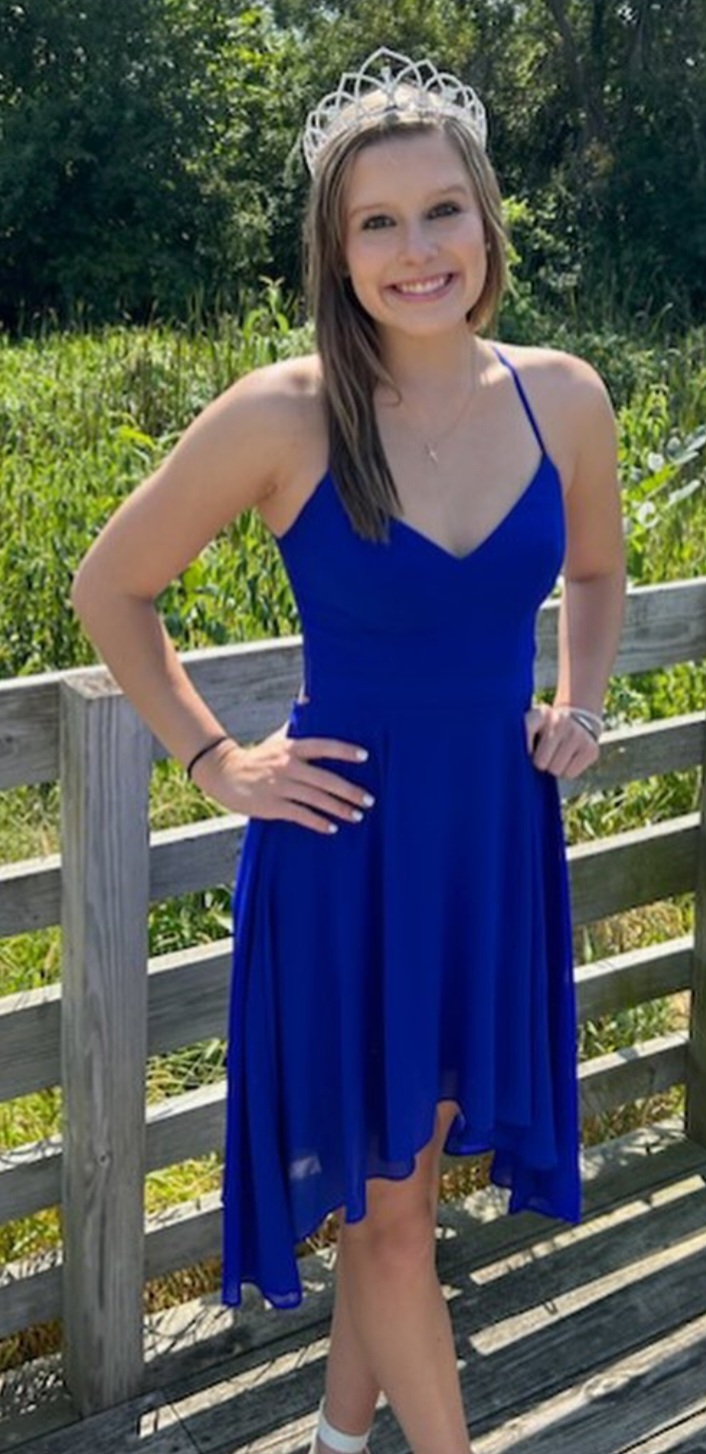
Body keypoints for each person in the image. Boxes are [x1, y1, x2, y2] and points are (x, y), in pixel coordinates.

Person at [71, 46, 626, 1454]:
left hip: (490, 844)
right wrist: (216, 761)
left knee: (405, 1193)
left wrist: (579, 705)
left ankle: (334, 1434)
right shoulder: (283, 411)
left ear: (486, 220)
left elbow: (598, 571)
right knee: (389, 1216)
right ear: (335, 247)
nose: (416, 249)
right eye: (377, 221)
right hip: (344, 851)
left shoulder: (563, 396)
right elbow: (109, 585)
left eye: (441, 210)